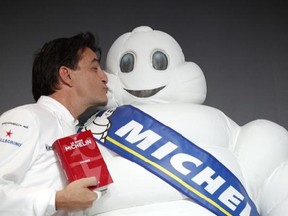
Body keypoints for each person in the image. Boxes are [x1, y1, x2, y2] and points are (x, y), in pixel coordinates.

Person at [0, 32, 108, 216]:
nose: (105, 77)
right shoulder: (26, 118)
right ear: (66, 75)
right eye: (94, 68)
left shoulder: (78, 133)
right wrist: (56, 200)